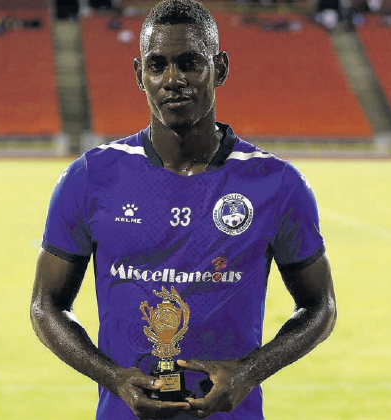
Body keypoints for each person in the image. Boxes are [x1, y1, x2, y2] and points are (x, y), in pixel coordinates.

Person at [30, 1, 337, 419]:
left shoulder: (277, 184)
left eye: (190, 63)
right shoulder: (90, 178)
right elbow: (45, 305)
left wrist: (249, 373)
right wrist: (113, 378)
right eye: (157, 65)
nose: (173, 79)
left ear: (221, 68)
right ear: (140, 75)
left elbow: (320, 305)